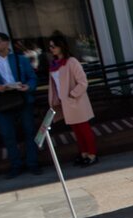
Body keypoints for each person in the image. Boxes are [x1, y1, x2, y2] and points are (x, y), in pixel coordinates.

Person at [0, 31, 41, 179]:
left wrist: (28, 86)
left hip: (22, 98)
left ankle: (33, 163)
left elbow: (32, 78)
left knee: (29, 131)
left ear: (6, 43)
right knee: (8, 135)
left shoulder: (20, 59)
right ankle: (16, 165)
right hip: (3, 100)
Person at [47, 34, 98, 166]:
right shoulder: (54, 64)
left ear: (61, 46)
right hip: (64, 103)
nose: (51, 49)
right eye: (50, 46)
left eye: (54, 46)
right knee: (76, 130)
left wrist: (72, 95)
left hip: (76, 102)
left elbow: (83, 82)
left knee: (84, 129)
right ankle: (83, 153)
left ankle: (92, 154)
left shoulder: (72, 61)